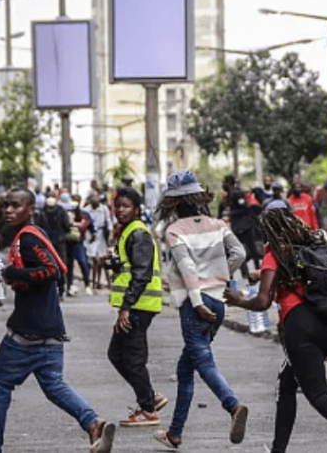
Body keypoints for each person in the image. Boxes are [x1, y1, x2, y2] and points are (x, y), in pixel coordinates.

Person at [223, 207, 327, 453]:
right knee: (286, 385)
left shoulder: (275, 253)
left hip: (301, 327)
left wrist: (237, 300)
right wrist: (261, 274)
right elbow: (288, 276)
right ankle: (278, 450)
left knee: (317, 393)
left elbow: (263, 301)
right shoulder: (311, 248)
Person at [0, 187, 115, 453]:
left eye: (16, 205)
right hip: (51, 331)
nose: (9, 210)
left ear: (30, 209)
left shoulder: (29, 239)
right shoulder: (35, 235)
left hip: (26, 334)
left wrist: (12, 272)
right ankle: (93, 424)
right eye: (6, 205)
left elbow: (51, 272)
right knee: (54, 386)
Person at [152, 170, 248, 450]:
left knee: (203, 360)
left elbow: (187, 268)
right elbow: (239, 254)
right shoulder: (218, 224)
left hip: (196, 304)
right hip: (217, 299)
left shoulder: (175, 230)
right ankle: (175, 432)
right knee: (186, 367)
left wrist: (197, 301)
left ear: (173, 204)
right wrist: (218, 276)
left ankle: (232, 405)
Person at [107, 187, 168, 426]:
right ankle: (150, 397)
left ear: (136, 209)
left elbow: (141, 274)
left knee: (132, 358)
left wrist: (126, 308)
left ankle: (148, 410)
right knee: (116, 354)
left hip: (138, 306)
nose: (121, 210)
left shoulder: (139, 233)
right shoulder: (129, 232)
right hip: (134, 305)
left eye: (126, 206)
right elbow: (131, 267)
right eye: (118, 205)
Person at [222, 175, 263, 278]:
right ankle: (245, 274)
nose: (223, 185)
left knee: (252, 249)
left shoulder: (238, 193)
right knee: (239, 250)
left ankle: (258, 270)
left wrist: (232, 213)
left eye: (224, 182)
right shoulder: (229, 194)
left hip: (245, 226)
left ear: (229, 183)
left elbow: (245, 208)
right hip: (236, 227)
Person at [34, 193, 71, 298]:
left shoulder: (42, 212)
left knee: (48, 266)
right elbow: (67, 226)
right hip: (57, 243)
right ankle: (60, 289)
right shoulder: (60, 211)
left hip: (48, 243)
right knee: (59, 265)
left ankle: (55, 289)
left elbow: (37, 227)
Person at [86, 192, 113, 291]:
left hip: (101, 235)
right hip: (90, 235)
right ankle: (93, 283)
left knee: (103, 260)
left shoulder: (104, 209)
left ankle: (106, 282)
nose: (95, 198)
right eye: (93, 196)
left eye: (96, 196)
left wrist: (110, 234)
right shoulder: (86, 210)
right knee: (93, 260)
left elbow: (108, 221)